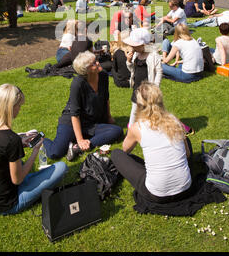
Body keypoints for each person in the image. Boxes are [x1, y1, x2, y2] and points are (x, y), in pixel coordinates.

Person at [0, 84, 67, 215]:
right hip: (7, 204)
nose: (20, 109)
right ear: (10, 108)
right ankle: (36, 179)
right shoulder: (10, 140)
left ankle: (36, 177)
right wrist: (35, 150)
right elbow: (17, 180)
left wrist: (20, 142)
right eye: (19, 106)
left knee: (23, 155)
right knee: (61, 168)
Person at [111, 82, 192, 210]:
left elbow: (125, 150)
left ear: (139, 105)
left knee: (116, 154)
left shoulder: (137, 127)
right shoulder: (174, 120)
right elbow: (187, 155)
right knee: (184, 141)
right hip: (186, 188)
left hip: (157, 194)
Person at [43, 51, 123, 161]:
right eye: (94, 63)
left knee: (117, 131)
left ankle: (76, 149)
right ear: (86, 70)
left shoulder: (103, 75)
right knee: (55, 153)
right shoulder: (78, 83)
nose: (98, 63)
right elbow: (74, 114)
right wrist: (80, 139)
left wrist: (108, 117)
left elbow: (106, 99)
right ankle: (39, 139)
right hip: (71, 122)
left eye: (96, 60)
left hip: (91, 123)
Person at [123, 28, 162, 127]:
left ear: (143, 45)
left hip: (149, 88)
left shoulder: (153, 55)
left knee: (151, 108)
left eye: (134, 45)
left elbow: (159, 71)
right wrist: (129, 61)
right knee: (135, 108)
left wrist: (155, 87)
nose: (132, 47)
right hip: (137, 87)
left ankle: (154, 126)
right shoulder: (136, 54)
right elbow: (132, 70)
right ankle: (131, 128)